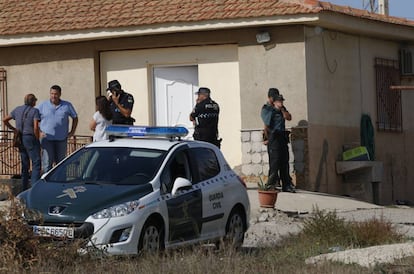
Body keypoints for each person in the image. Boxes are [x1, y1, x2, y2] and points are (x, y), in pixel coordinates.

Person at [3, 94, 41, 190]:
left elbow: (4, 119)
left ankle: (24, 189)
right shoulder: (34, 111)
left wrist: (13, 129)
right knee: (36, 163)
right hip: (30, 138)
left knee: (25, 165)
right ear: (33, 102)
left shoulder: (17, 109)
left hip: (20, 138)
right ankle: (34, 189)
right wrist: (38, 138)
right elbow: (36, 127)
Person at [37, 85, 78, 173]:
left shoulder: (67, 105)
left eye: (55, 94)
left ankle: (59, 184)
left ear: (60, 94)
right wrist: (39, 132)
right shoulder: (42, 105)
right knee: (47, 164)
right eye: (52, 93)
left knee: (61, 164)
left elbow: (75, 117)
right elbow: (34, 118)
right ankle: (46, 185)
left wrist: (72, 131)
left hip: (61, 139)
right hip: (46, 139)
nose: (53, 96)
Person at [261, 90, 295, 193]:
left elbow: (289, 117)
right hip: (274, 138)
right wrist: (266, 138)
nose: (281, 103)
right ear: (273, 101)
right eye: (279, 101)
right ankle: (271, 184)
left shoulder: (282, 109)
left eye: (282, 101)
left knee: (284, 162)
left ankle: (286, 185)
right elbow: (266, 126)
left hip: (282, 137)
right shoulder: (268, 109)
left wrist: (283, 110)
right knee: (274, 162)